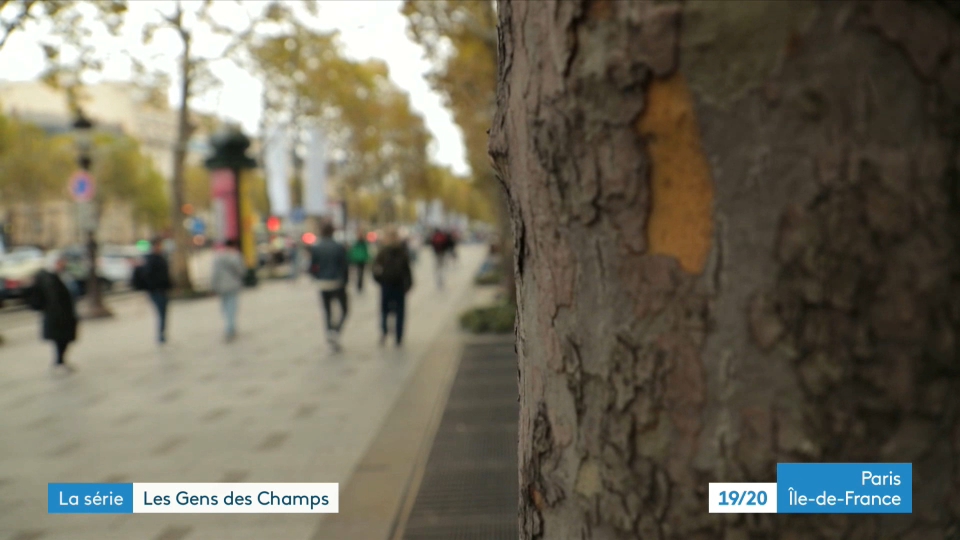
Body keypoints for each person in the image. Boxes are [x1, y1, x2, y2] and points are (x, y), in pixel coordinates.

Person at [28, 256, 79, 372]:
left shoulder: (62, 275)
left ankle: (60, 361)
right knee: (60, 339)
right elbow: (50, 297)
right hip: (56, 315)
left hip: (64, 314)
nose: (63, 265)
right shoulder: (48, 278)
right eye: (60, 263)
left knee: (64, 339)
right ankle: (59, 362)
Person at [309, 221, 349, 351]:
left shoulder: (316, 247)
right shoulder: (338, 247)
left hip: (323, 283)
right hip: (337, 282)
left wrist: (317, 277)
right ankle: (335, 331)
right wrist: (345, 280)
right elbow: (344, 266)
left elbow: (313, 266)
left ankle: (330, 335)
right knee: (344, 309)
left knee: (327, 311)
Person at [372, 227, 413, 347]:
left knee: (385, 310)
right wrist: (408, 285)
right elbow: (407, 271)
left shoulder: (383, 252)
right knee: (399, 311)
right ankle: (397, 336)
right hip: (397, 285)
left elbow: (375, 269)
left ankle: (386, 332)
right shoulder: (401, 252)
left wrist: (379, 280)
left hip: (388, 285)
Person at [133, 237, 172, 344]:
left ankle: (162, 334)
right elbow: (149, 276)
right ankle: (161, 335)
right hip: (156, 291)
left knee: (163, 313)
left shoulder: (159, 257)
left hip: (161, 290)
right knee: (161, 313)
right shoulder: (151, 259)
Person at [210, 239, 245, 341]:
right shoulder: (235, 256)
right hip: (233, 285)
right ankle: (230, 328)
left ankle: (229, 326)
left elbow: (214, 273)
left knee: (224, 307)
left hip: (221, 286)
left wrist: (213, 286)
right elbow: (241, 271)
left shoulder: (217, 257)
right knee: (232, 307)